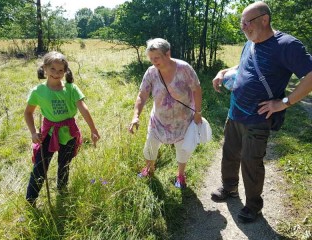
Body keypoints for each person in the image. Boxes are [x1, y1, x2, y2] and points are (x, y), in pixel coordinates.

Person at [211, 1, 312, 223]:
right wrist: (223, 71)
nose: (243, 27)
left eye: (247, 22)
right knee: (229, 153)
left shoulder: (287, 45)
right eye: (241, 23)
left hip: (258, 118)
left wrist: (284, 102)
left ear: (264, 19)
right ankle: (229, 188)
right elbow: (243, 67)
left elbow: (310, 75)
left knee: (251, 161)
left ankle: (253, 206)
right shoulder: (251, 42)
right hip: (235, 112)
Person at [24, 51, 100, 206]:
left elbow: (83, 108)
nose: (56, 74)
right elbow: (28, 112)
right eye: (52, 69)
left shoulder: (71, 89)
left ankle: (62, 192)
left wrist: (93, 129)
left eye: (60, 70)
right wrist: (33, 132)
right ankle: (30, 200)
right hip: (48, 134)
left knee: (64, 165)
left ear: (65, 71)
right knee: (40, 167)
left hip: (68, 133)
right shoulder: (38, 91)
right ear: (45, 68)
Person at [128, 38, 202, 188]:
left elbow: (197, 89)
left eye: (157, 58)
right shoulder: (151, 72)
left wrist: (198, 112)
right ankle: (149, 169)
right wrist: (136, 116)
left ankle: (180, 175)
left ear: (167, 54)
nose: (154, 62)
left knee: (182, 149)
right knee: (150, 146)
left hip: (182, 120)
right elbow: (142, 95)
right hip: (159, 119)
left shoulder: (184, 69)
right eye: (151, 59)